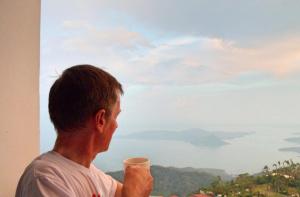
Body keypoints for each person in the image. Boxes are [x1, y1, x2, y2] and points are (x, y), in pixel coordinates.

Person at [16, 65, 153, 197]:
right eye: (115, 117)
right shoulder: (44, 179)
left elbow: (123, 193)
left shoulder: (91, 174)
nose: (116, 125)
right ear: (100, 120)